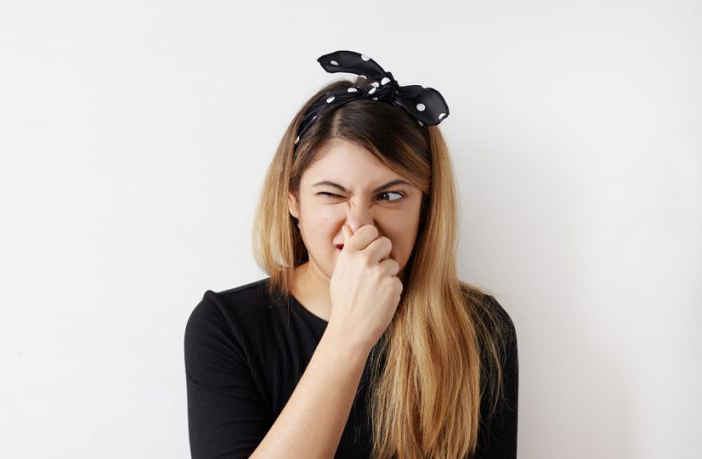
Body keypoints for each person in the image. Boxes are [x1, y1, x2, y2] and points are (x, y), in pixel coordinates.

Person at [184, 50, 518, 459]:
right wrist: (348, 334)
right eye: (331, 194)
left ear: (425, 207)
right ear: (293, 200)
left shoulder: (480, 329)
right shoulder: (226, 327)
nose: (360, 225)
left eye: (390, 195)